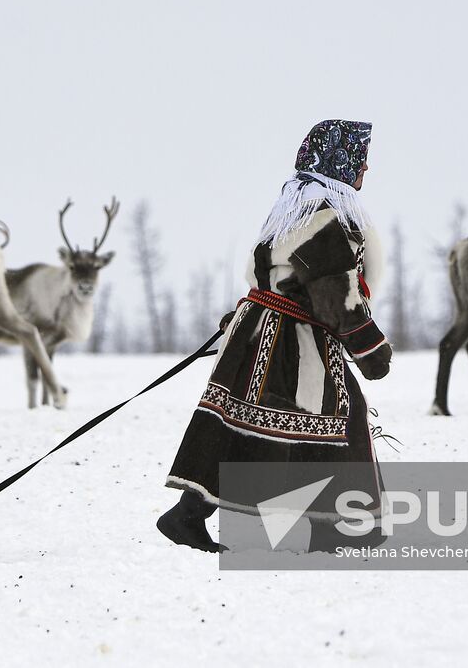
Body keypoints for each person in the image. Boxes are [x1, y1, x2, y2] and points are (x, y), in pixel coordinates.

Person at [158, 119, 392, 552]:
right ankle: (332, 527)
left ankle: (187, 515)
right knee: (334, 420)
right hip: (292, 340)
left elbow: (271, 274)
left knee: (240, 425)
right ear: (342, 162)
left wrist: (244, 319)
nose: (365, 170)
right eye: (360, 160)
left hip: (260, 333)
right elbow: (333, 293)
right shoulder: (327, 215)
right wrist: (370, 348)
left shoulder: (292, 208)